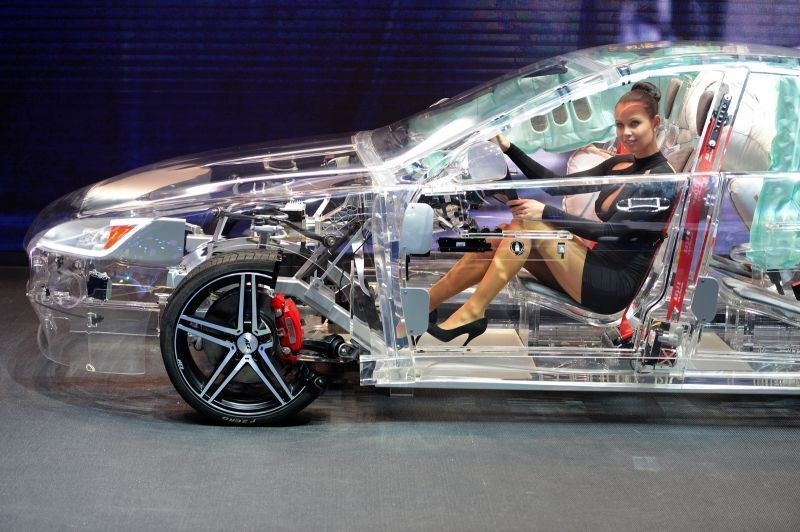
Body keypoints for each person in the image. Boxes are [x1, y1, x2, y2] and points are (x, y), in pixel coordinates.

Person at [425, 81, 678, 345]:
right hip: (590, 266)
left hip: (611, 286)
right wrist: (508, 147)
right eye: (619, 125)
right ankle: (426, 304)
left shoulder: (661, 179)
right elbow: (556, 186)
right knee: (501, 237)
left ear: (655, 122)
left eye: (635, 124)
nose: (626, 133)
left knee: (528, 227)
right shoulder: (621, 164)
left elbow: (611, 233)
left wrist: (547, 212)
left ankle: (473, 313)